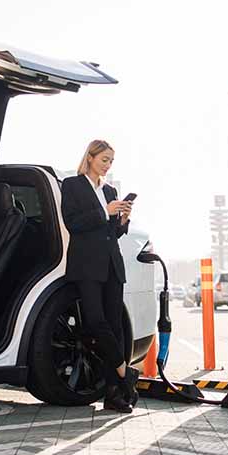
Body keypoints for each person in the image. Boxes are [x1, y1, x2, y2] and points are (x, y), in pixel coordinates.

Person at [61, 139, 138, 413]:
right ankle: (125, 373)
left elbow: (112, 233)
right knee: (95, 322)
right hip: (86, 265)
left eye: (111, 161)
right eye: (104, 159)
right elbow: (73, 223)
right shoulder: (72, 185)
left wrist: (122, 221)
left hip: (112, 265)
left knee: (115, 329)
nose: (108, 165)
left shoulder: (110, 190)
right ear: (90, 157)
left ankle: (114, 395)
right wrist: (104, 212)